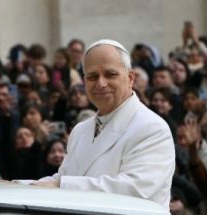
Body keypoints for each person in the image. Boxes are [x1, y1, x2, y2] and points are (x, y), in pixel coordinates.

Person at [23, 40, 174, 206]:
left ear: (130, 78)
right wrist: (18, 187)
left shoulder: (151, 128)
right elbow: (61, 179)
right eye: (92, 76)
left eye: (110, 74)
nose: (101, 84)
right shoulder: (80, 130)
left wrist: (63, 185)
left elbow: (135, 190)